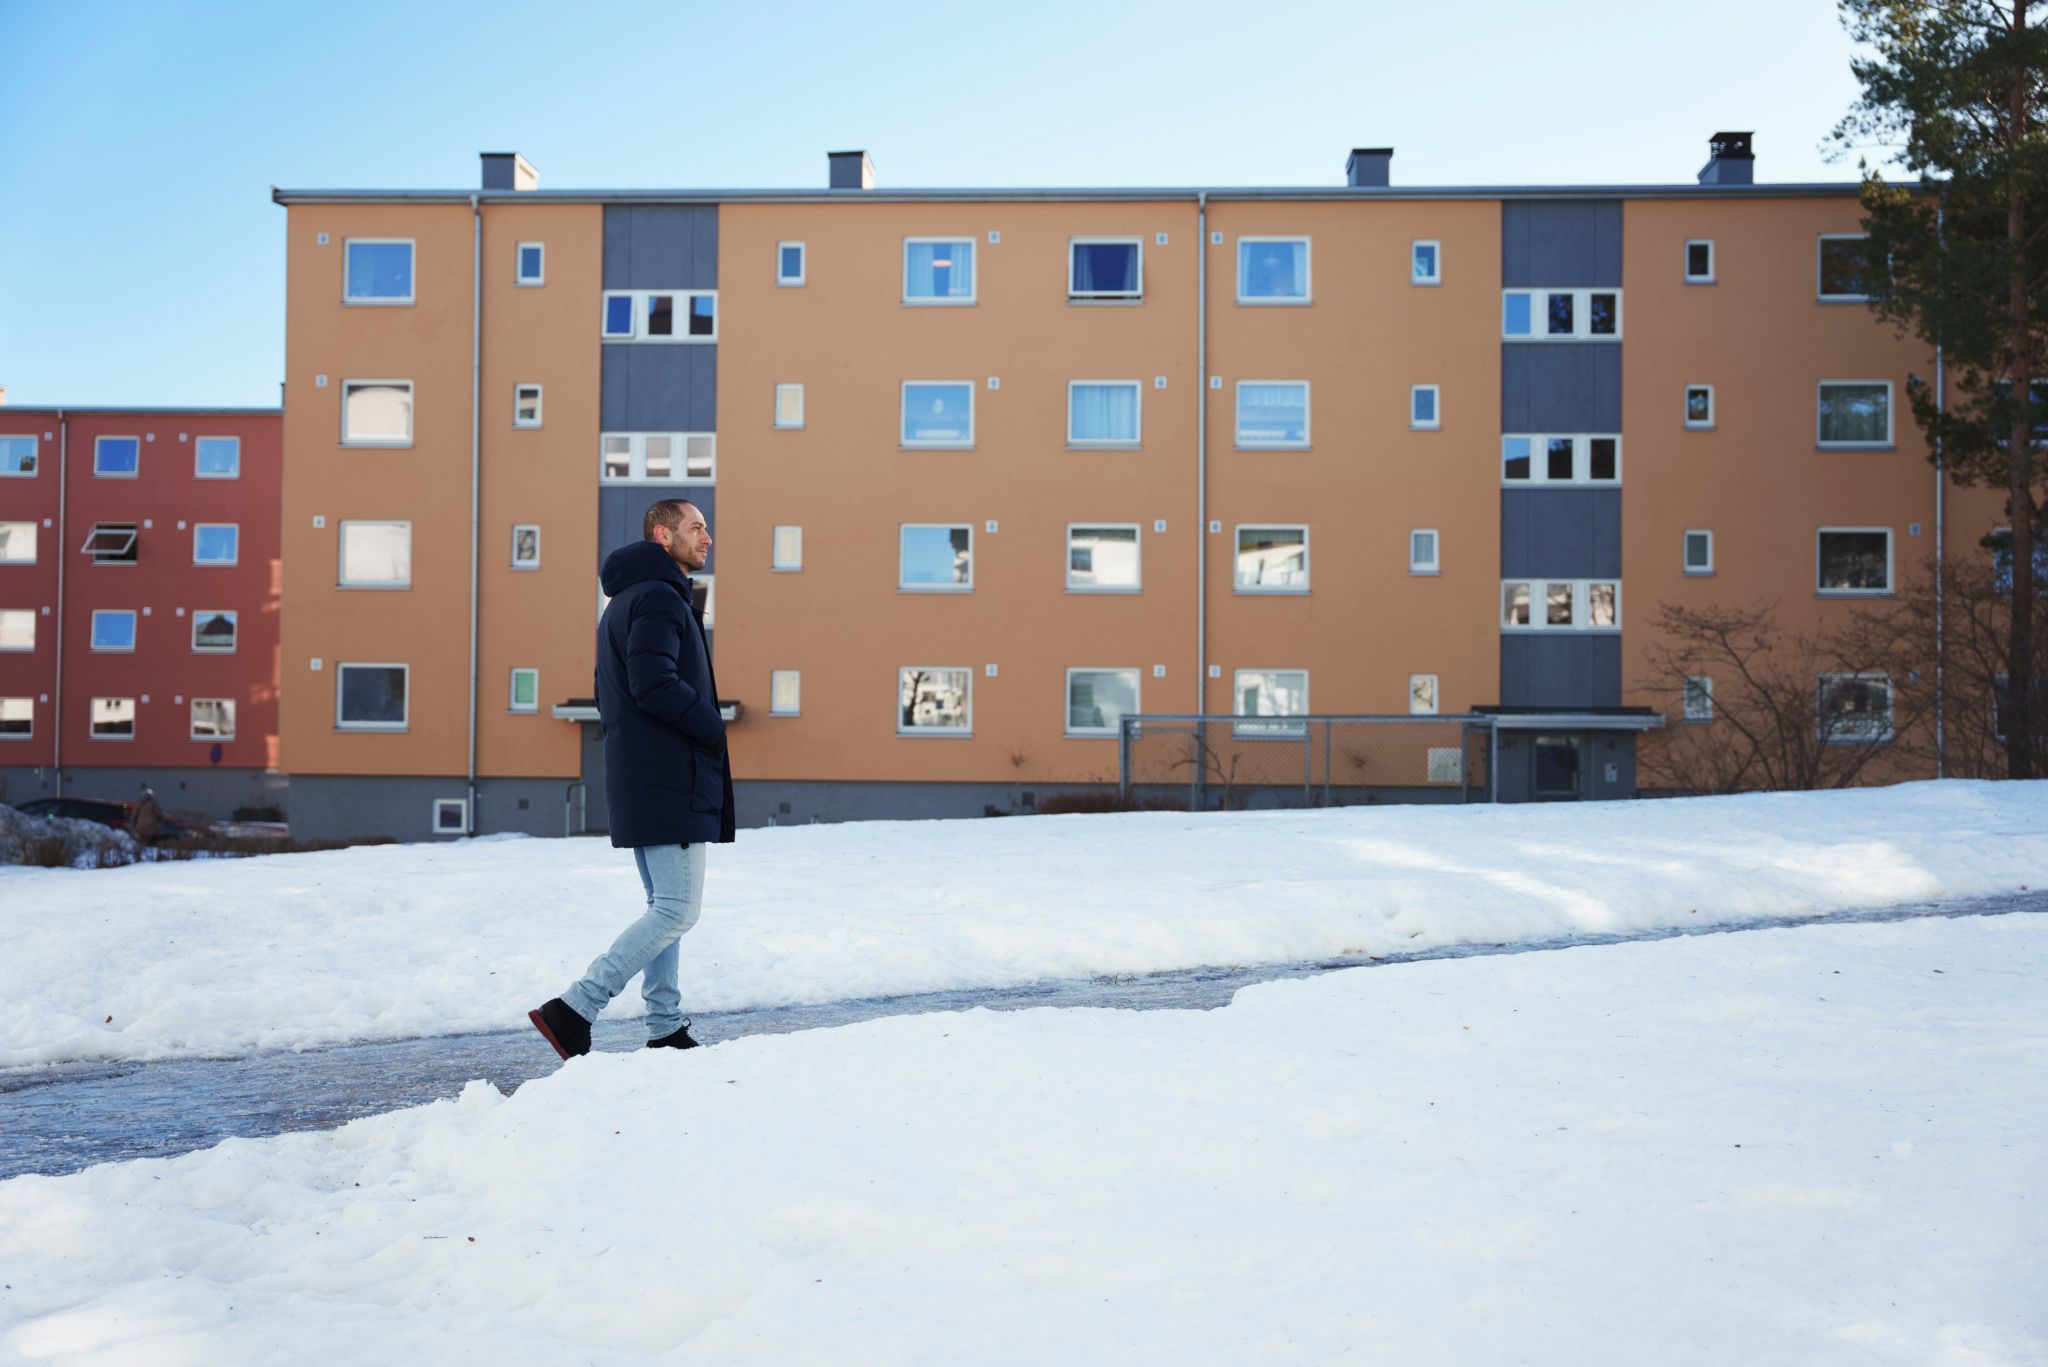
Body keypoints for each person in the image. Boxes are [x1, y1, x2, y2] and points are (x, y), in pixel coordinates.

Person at [530, 499, 735, 1060]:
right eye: (697, 528)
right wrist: (710, 726)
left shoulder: (624, 601)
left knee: (662, 909)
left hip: (643, 775)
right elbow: (653, 682)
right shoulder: (658, 598)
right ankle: (575, 1007)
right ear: (663, 536)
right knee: (677, 910)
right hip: (670, 777)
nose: (708, 538)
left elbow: (608, 693)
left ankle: (664, 1024)